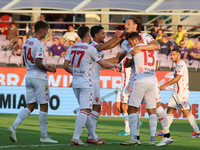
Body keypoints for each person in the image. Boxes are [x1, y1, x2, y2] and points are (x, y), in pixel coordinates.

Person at [63, 26, 120, 146]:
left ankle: (93, 136)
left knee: (87, 110)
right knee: (85, 110)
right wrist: (117, 66)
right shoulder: (90, 49)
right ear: (88, 35)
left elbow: (65, 66)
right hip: (87, 82)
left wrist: (76, 73)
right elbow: (103, 64)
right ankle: (76, 137)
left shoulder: (71, 48)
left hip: (76, 82)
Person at [7, 21, 58, 144]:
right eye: (47, 30)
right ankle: (44, 136)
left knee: (30, 106)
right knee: (44, 105)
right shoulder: (38, 44)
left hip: (28, 76)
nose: (47, 33)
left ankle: (13, 127)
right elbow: (39, 63)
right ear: (42, 30)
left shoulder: (26, 42)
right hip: (39, 77)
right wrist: (49, 69)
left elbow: (25, 62)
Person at [120, 32, 160, 146]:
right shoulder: (153, 50)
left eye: (131, 42)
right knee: (152, 110)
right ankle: (152, 140)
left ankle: (134, 138)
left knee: (132, 109)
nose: (131, 44)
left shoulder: (135, 49)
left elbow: (127, 65)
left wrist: (131, 57)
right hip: (152, 82)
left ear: (136, 40)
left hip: (139, 81)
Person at [86, 25, 123, 144]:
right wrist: (116, 37)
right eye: (102, 33)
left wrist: (119, 38)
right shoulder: (93, 46)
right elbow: (104, 46)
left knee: (94, 108)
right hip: (91, 81)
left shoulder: (99, 49)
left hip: (94, 80)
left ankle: (91, 134)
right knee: (92, 108)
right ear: (95, 35)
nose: (104, 35)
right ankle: (90, 135)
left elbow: (108, 47)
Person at [159, 49, 200, 138]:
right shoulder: (177, 65)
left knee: (186, 112)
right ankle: (165, 131)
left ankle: (197, 131)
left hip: (181, 92)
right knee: (170, 110)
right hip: (175, 92)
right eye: (171, 54)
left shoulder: (181, 64)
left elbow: (178, 77)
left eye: (173, 55)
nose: (171, 56)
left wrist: (165, 85)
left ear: (178, 55)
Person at [115, 56, 132, 136]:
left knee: (125, 106)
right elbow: (123, 69)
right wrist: (118, 68)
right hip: (122, 85)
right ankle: (133, 121)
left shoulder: (130, 57)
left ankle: (127, 130)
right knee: (118, 107)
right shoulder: (124, 59)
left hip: (127, 85)